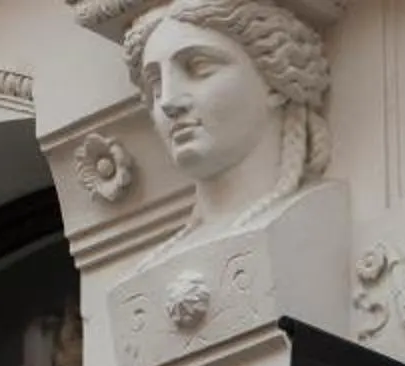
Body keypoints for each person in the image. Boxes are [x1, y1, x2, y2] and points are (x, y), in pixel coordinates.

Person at [122, 0, 344, 244]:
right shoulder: (166, 255)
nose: (168, 102)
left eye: (199, 68)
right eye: (156, 85)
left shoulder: (312, 214)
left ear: (274, 79)